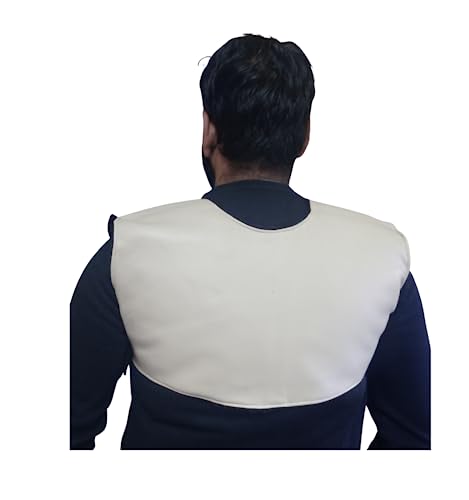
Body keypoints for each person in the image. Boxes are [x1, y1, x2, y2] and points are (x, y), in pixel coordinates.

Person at [70, 33, 431, 450]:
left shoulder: (128, 252)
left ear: (209, 130)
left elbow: (65, 430)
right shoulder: (380, 259)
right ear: (304, 137)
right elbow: (415, 435)